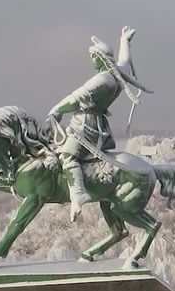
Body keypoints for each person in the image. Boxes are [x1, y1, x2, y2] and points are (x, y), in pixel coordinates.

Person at [47, 26, 152, 223]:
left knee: (67, 155)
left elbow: (76, 98)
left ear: (100, 57)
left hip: (86, 127)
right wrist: (124, 42)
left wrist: (57, 109)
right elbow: (125, 62)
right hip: (100, 126)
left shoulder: (103, 79)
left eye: (93, 57)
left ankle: (78, 193)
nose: (92, 61)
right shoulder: (117, 75)